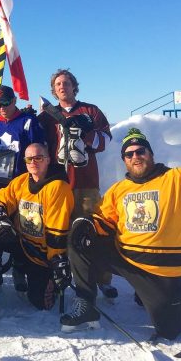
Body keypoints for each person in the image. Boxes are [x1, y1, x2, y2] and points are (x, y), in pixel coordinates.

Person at [62, 128, 181, 341]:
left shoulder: (179, 179)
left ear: (150, 154)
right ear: (124, 160)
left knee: (168, 330)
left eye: (140, 151)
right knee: (79, 240)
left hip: (160, 271)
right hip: (125, 260)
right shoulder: (119, 189)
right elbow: (104, 220)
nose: (135, 156)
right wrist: (86, 225)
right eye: (129, 154)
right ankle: (86, 306)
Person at [0, 143, 74, 321]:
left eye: (38, 158)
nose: (33, 162)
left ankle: (40, 275)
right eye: (29, 159)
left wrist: (57, 262)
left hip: (40, 254)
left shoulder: (58, 188)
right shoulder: (21, 181)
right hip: (19, 241)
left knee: (41, 303)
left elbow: (57, 233)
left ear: (48, 160)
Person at [37, 69, 116, 299]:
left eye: (66, 82)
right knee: (56, 233)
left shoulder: (90, 111)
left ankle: (102, 279)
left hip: (85, 183)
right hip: (57, 184)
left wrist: (86, 134)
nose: (62, 86)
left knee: (93, 231)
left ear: (74, 86)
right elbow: (39, 144)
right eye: (58, 84)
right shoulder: (48, 116)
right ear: (54, 90)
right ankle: (58, 277)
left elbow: (105, 140)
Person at [0, 85, 46, 291]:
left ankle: (20, 267)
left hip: (21, 186)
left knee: (23, 227)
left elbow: (40, 152)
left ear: (14, 100)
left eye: (6, 103)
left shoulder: (28, 122)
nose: (2, 108)